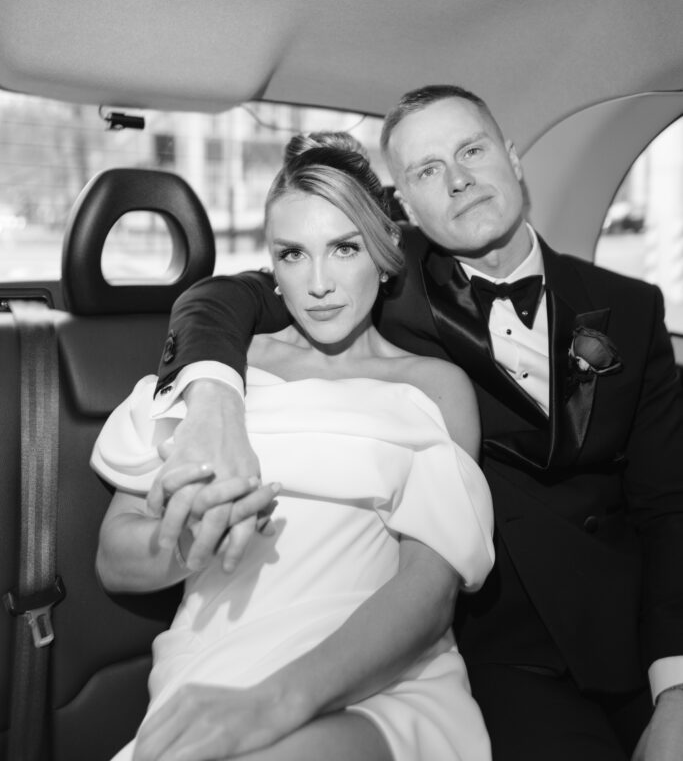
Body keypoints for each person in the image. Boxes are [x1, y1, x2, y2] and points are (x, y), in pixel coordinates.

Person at [150, 86, 683, 761]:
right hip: (503, 643)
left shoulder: (628, 306)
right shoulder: (375, 278)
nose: (457, 179)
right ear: (402, 204)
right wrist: (214, 401)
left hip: (633, 625)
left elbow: (669, 510)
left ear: (512, 158)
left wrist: (675, 690)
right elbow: (220, 298)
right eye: (427, 170)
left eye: (470, 150)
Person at [91, 131, 495, 761]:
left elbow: (431, 586)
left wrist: (276, 703)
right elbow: (116, 560)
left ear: (384, 252)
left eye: (343, 248)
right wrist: (190, 541)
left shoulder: (434, 387)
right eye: (293, 254)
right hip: (212, 669)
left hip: (372, 674)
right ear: (270, 269)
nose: (319, 283)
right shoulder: (212, 376)